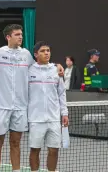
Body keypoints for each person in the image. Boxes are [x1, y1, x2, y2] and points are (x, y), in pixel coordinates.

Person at [0, 24, 64, 172]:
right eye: (17, 34)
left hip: (20, 107)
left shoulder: (26, 55)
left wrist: (57, 65)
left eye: (21, 34)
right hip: (0, 105)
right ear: (8, 37)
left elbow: (42, 65)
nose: (21, 37)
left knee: (16, 142)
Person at [28, 41, 69, 172]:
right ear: (35, 54)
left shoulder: (56, 70)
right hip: (35, 119)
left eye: (48, 50)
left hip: (53, 119)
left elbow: (62, 93)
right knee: (35, 150)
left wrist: (64, 113)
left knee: (54, 150)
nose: (46, 53)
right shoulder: (28, 70)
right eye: (42, 51)